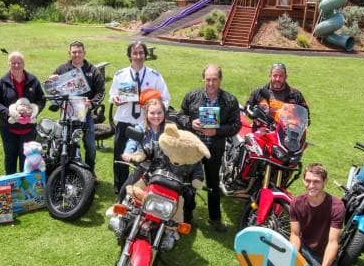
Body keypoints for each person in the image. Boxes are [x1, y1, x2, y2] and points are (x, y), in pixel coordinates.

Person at [179, 64, 240, 233]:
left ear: (220, 80)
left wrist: (217, 131)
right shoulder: (192, 96)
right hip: (193, 147)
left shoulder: (229, 100)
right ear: (203, 79)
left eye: (214, 79)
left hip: (215, 149)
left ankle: (215, 218)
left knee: (213, 184)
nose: (211, 83)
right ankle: (187, 216)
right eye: (208, 79)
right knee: (188, 182)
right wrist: (190, 123)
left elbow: (236, 125)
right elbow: (180, 115)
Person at [109, 41, 170, 194]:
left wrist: (156, 109)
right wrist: (115, 99)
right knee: (121, 155)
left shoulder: (155, 76)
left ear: (145, 55)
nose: (138, 56)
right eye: (135, 53)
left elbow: (166, 99)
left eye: (141, 53)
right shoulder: (120, 74)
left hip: (146, 123)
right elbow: (112, 94)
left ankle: (144, 186)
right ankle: (120, 188)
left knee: (147, 156)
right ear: (129, 55)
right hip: (125, 120)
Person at [289, 162, 345, 266]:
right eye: (308, 181)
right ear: (303, 180)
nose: (311, 186)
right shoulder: (296, 203)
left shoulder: (337, 206)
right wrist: (292, 256)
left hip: (323, 254)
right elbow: (295, 234)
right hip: (304, 248)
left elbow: (333, 243)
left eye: (316, 182)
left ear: (325, 181)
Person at [51, 41, 105, 178]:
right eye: (74, 52)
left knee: (91, 147)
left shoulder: (93, 70)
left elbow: (101, 92)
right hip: (67, 115)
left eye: (79, 52)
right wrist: (51, 81)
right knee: (68, 145)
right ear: (69, 53)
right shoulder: (61, 69)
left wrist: (92, 103)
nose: (77, 54)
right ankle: (74, 174)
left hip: (85, 115)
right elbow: (52, 90)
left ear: (84, 53)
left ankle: (90, 174)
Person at [0, 51, 46, 174]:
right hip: (8, 128)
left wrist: (33, 110)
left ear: (24, 64)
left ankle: (25, 188)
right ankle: (10, 185)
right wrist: (9, 113)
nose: (16, 65)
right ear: (9, 64)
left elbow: (41, 99)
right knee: (10, 157)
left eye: (19, 62)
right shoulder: (2, 82)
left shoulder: (33, 80)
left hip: (28, 129)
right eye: (13, 63)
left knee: (26, 159)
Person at [245, 61, 310, 123]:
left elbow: (306, 117)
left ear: (286, 77)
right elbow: (247, 108)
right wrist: (255, 115)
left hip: (286, 132)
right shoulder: (259, 92)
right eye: (275, 75)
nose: (277, 79)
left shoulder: (296, 95)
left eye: (281, 76)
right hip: (262, 131)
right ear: (270, 76)